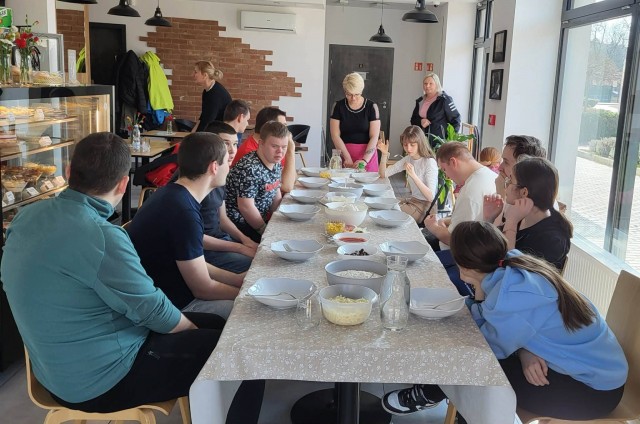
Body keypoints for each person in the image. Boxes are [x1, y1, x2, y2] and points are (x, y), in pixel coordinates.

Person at [0, 132, 263, 421]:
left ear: (68, 171)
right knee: (245, 351)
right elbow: (153, 310)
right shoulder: (102, 236)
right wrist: (191, 330)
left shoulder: (26, 217)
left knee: (217, 326)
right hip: (103, 381)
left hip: (52, 372)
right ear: (124, 184)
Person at [382, 221, 627, 421]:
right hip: (590, 367)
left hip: (591, 391)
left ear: (464, 266)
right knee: (475, 359)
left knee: (476, 363)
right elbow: (512, 324)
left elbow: (488, 346)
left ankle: (432, 394)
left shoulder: (511, 297)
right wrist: (525, 351)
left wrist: (477, 291)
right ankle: (438, 393)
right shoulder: (512, 264)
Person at [128, 132, 244, 319]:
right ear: (214, 167)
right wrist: (246, 295)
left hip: (166, 294)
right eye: (226, 162)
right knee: (251, 312)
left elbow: (194, 262)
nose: (229, 166)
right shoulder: (184, 212)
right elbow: (203, 289)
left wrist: (237, 280)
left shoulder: (172, 193)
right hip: (172, 307)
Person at [423, 142, 496, 295]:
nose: (446, 176)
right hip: (479, 249)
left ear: (453, 162)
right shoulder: (489, 175)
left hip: (464, 259)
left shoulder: (471, 190)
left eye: (445, 169)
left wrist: (432, 227)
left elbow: (455, 241)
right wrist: (447, 220)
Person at [484, 157, 572, 271]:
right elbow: (489, 252)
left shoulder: (552, 240)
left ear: (524, 192)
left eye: (510, 181)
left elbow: (512, 273)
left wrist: (511, 223)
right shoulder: (521, 215)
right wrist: (489, 219)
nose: (506, 185)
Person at [201, 121, 258, 273]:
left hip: (222, 239)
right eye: (226, 144)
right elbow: (194, 239)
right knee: (259, 266)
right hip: (205, 250)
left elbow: (223, 219)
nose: (232, 150)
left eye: (235, 144)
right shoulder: (199, 180)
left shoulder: (221, 175)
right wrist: (239, 247)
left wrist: (245, 240)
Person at [225, 121, 288, 243]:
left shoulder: (275, 161)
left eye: (284, 147)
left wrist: (280, 221)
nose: (280, 152)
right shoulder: (249, 168)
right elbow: (246, 207)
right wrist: (265, 230)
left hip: (258, 221)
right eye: (274, 146)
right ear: (261, 143)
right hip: (241, 226)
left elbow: (275, 192)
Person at [378, 125, 438, 222]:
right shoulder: (408, 159)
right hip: (412, 201)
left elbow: (430, 197)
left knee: (389, 211)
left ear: (420, 143)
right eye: (405, 145)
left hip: (426, 208)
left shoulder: (429, 162)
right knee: (383, 202)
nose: (408, 149)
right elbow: (383, 174)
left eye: (412, 145)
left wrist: (413, 175)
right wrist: (384, 154)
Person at [231, 106, 296, 193]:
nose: (286, 131)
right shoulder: (250, 152)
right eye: (282, 126)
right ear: (270, 127)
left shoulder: (276, 148)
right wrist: (290, 149)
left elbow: (292, 177)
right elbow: (286, 187)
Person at [329, 72, 381, 171]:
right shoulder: (338, 106)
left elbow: (374, 136)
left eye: (356, 94)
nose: (353, 98)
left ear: (361, 90)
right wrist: (347, 157)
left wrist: (365, 160)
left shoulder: (372, 107)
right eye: (349, 94)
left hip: (367, 156)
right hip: (345, 154)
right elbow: (335, 135)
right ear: (345, 91)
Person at [410, 72, 461, 148]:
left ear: (437, 84)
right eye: (425, 83)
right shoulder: (420, 101)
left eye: (431, 83)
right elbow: (413, 120)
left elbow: (456, 119)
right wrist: (420, 121)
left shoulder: (445, 100)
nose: (427, 86)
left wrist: (449, 140)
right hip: (421, 141)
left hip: (439, 144)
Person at [193, 61, 232, 132]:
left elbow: (207, 122)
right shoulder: (207, 91)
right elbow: (203, 117)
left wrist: (195, 136)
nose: (193, 75)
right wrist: (192, 133)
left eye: (196, 72)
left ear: (205, 75)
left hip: (224, 133)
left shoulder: (215, 94)